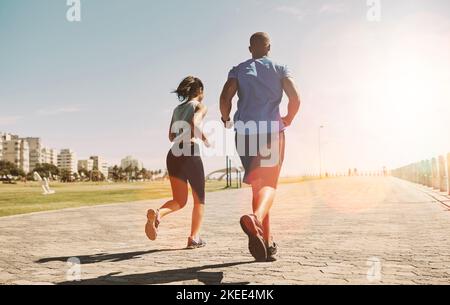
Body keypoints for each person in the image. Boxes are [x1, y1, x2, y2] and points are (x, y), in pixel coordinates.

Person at [220, 32, 301, 261]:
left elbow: (226, 97)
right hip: (271, 132)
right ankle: (255, 219)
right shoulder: (280, 68)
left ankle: (266, 242)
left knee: (259, 187)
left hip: (244, 133)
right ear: (268, 47)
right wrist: (288, 119)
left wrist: (226, 118)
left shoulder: (238, 69)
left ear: (250, 49)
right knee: (269, 185)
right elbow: (295, 98)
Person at [146, 76, 210, 249]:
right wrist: (205, 139)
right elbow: (194, 123)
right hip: (190, 152)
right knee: (199, 199)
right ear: (199, 91)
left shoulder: (177, 109)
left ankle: (158, 215)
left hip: (173, 154)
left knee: (180, 200)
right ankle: (194, 237)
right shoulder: (199, 106)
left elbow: (170, 137)